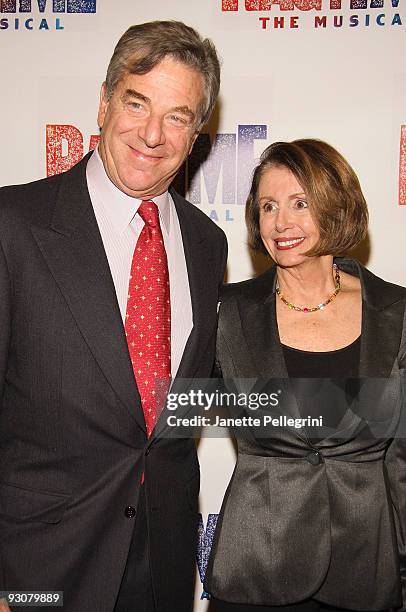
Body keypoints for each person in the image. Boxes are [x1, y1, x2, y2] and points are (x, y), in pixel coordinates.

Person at [0, 20, 227, 612]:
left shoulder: (208, 244)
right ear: (103, 103)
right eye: (137, 102)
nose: (152, 133)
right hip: (38, 565)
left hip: (167, 566)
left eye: (177, 116)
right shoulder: (13, 224)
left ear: (196, 133)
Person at [204, 139, 406, 612]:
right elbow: (169, 411)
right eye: (268, 206)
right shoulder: (228, 314)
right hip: (256, 569)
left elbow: (402, 460)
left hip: (364, 570)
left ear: (336, 207)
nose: (281, 223)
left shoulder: (395, 313)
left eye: (300, 203)